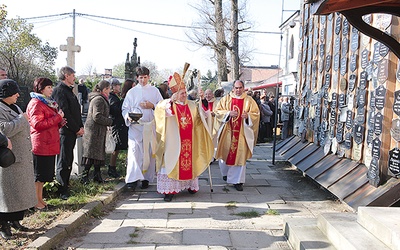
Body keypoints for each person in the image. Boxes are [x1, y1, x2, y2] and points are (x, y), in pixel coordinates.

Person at [154, 72, 214, 202]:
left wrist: (203, 99)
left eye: (185, 92)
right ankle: (169, 191)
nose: (184, 95)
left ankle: (189, 185)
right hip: (173, 142)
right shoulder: (168, 104)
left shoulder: (192, 106)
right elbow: (159, 111)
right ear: (174, 94)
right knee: (171, 162)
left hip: (189, 141)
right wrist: (171, 101)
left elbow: (204, 115)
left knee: (188, 163)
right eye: (182, 93)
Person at [0, 79, 36, 239]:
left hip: (22, 156)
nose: (18, 95)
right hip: (9, 159)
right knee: (7, 194)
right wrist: (22, 120)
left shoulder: (14, 106)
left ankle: (16, 221)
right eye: (14, 92)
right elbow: (3, 130)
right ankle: (3, 226)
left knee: (18, 193)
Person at [26, 78, 66, 210]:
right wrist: (57, 118)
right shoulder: (36, 103)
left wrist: (59, 122)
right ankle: (34, 201)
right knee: (38, 176)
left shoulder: (48, 103)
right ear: (41, 89)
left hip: (49, 142)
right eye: (48, 87)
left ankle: (40, 199)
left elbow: (49, 122)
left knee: (43, 176)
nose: (51, 89)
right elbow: (37, 124)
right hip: (40, 143)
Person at [121, 66, 163, 190]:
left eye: (145, 77)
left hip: (149, 126)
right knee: (134, 152)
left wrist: (152, 105)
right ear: (137, 78)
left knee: (149, 153)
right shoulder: (132, 92)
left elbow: (162, 106)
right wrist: (128, 116)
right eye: (140, 78)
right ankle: (132, 180)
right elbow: (125, 108)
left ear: (148, 77)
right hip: (136, 127)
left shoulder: (155, 91)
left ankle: (146, 178)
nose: (143, 80)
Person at [214, 80, 260, 191]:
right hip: (227, 132)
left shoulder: (249, 101)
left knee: (240, 156)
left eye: (240, 87)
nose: (238, 90)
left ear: (243, 88)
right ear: (233, 88)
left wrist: (248, 116)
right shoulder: (226, 99)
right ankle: (226, 174)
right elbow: (217, 111)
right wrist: (228, 113)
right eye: (236, 88)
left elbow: (256, 114)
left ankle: (237, 181)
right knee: (224, 153)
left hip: (241, 133)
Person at [51, 66, 84, 200]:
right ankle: (61, 189)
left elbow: (75, 111)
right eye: (72, 75)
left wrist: (80, 126)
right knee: (64, 160)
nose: (74, 78)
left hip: (72, 131)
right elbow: (65, 113)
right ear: (66, 75)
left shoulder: (69, 91)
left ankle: (66, 185)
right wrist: (76, 128)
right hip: (65, 131)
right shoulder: (59, 91)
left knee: (69, 159)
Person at [80, 80, 113, 184]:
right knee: (91, 155)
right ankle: (84, 178)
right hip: (94, 132)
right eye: (108, 89)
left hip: (97, 131)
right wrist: (110, 122)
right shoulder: (99, 99)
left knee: (97, 156)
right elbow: (97, 116)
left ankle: (97, 177)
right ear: (104, 89)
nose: (110, 91)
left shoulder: (100, 98)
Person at [107, 78, 127, 178]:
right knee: (115, 147)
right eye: (118, 85)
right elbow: (115, 110)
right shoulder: (111, 97)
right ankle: (111, 167)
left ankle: (113, 166)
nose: (119, 87)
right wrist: (122, 102)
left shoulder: (114, 96)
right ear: (113, 87)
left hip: (119, 124)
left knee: (117, 147)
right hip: (115, 125)